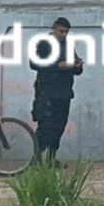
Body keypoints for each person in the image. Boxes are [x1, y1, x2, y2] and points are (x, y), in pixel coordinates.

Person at [29, 17, 84, 166]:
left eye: (66, 32)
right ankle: (36, 159)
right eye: (61, 31)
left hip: (64, 91)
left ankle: (51, 158)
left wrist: (77, 66)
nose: (64, 34)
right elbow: (34, 63)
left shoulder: (68, 45)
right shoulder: (44, 44)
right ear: (54, 29)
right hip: (46, 90)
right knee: (45, 125)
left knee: (59, 125)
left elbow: (76, 68)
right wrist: (58, 66)